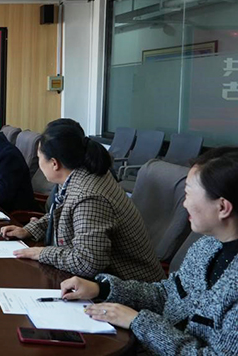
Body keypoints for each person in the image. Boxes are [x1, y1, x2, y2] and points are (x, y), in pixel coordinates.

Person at [60, 147, 238, 356]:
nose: (184, 204)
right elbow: (167, 295)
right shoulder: (207, 245)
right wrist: (102, 289)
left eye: (188, 194)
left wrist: (138, 321)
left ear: (223, 207)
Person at [1, 118, 165, 282]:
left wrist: (43, 253)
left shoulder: (88, 196)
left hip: (131, 288)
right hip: (98, 281)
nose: (39, 164)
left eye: (39, 158)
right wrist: (29, 230)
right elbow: (61, 213)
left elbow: (87, 262)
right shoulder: (78, 174)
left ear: (54, 163)